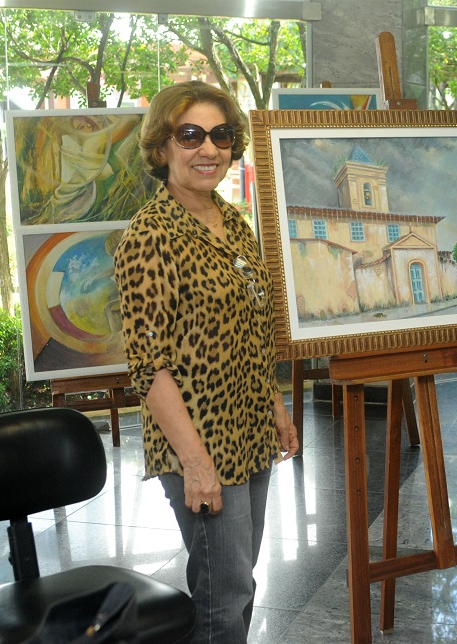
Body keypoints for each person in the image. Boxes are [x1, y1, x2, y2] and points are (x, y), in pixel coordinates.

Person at [113, 80, 299, 643]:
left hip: (250, 431)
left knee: (238, 583)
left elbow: (251, 329)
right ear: (162, 146)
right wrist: (196, 464)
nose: (209, 148)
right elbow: (149, 367)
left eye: (221, 135)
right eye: (190, 134)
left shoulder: (232, 220)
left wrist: (276, 407)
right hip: (198, 442)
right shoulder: (150, 236)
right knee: (222, 599)